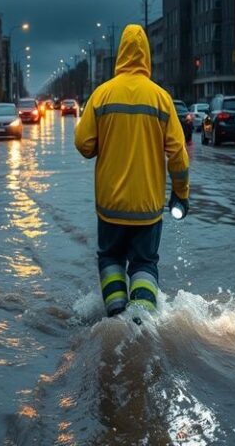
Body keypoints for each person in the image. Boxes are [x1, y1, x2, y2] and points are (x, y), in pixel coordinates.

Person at [74, 24, 190, 317]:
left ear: (120, 55)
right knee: (144, 263)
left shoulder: (101, 95)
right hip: (148, 208)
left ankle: (114, 316)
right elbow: (178, 155)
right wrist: (181, 195)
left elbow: (84, 145)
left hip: (110, 206)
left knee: (111, 258)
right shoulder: (161, 99)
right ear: (147, 56)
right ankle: (141, 323)